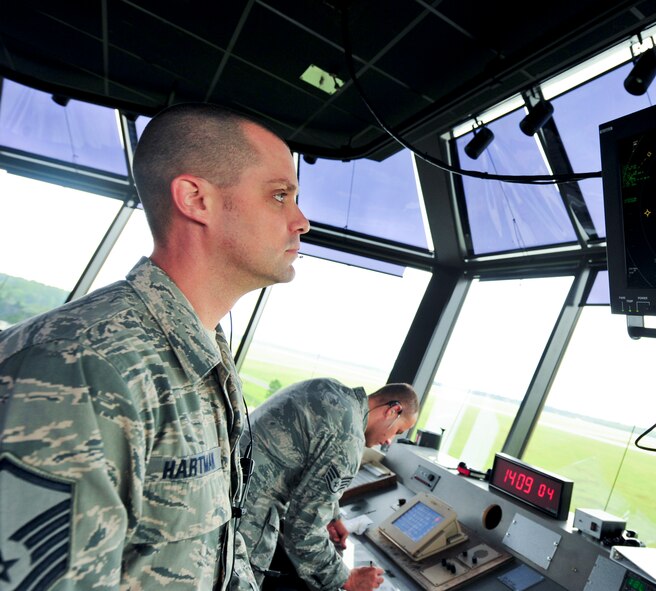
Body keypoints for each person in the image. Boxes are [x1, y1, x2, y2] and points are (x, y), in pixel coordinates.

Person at [0, 103, 310, 590]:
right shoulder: (82, 367)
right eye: (279, 196)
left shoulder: (202, 354)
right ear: (195, 199)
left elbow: (216, 544)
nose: (301, 221)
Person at [240, 378, 419, 591]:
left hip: (230, 482)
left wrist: (333, 517)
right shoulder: (349, 437)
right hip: (244, 512)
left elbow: (312, 463)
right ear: (393, 411)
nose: (389, 441)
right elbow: (303, 531)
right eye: (397, 431)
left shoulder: (329, 389)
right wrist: (347, 578)